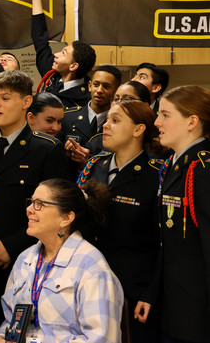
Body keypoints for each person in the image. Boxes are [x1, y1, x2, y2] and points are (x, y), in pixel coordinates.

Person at [0, 70, 70, 334]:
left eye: (5, 98)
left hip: (19, 262)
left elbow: (56, 211)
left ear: (26, 102)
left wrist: (14, 244)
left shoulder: (46, 149)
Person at [0, 178, 123, 343]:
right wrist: (0, 337)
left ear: (66, 218)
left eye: (39, 204)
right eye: (31, 202)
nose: (29, 209)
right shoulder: (24, 259)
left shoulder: (92, 267)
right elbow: (10, 321)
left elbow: (102, 338)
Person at [77, 100, 161, 342]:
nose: (106, 126)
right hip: (89, 281)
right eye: (107, 120)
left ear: (138, 129)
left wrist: (150, 293)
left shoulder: (155, 175)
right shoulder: (95, 165)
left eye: (115, 121)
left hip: (131, 287)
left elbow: (162, 245)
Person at [154, 85, 210, 343]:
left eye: (165, 115)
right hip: (174, 306)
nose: (157, 122)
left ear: (192, 121)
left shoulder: (202, 170)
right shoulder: (176, 165)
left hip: (197, 311)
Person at [29, 0, 96, 108]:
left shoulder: (87, 99)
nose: (56, 54)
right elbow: (39, 37)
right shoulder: (51, 73)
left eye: (64, 53)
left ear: (73, 66)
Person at [60, 65, 121, 169]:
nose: (99, 90)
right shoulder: (67, 117)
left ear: (116, 90)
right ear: (89, 86)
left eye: (106, 87)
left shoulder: (119, 125)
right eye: (96, 85)